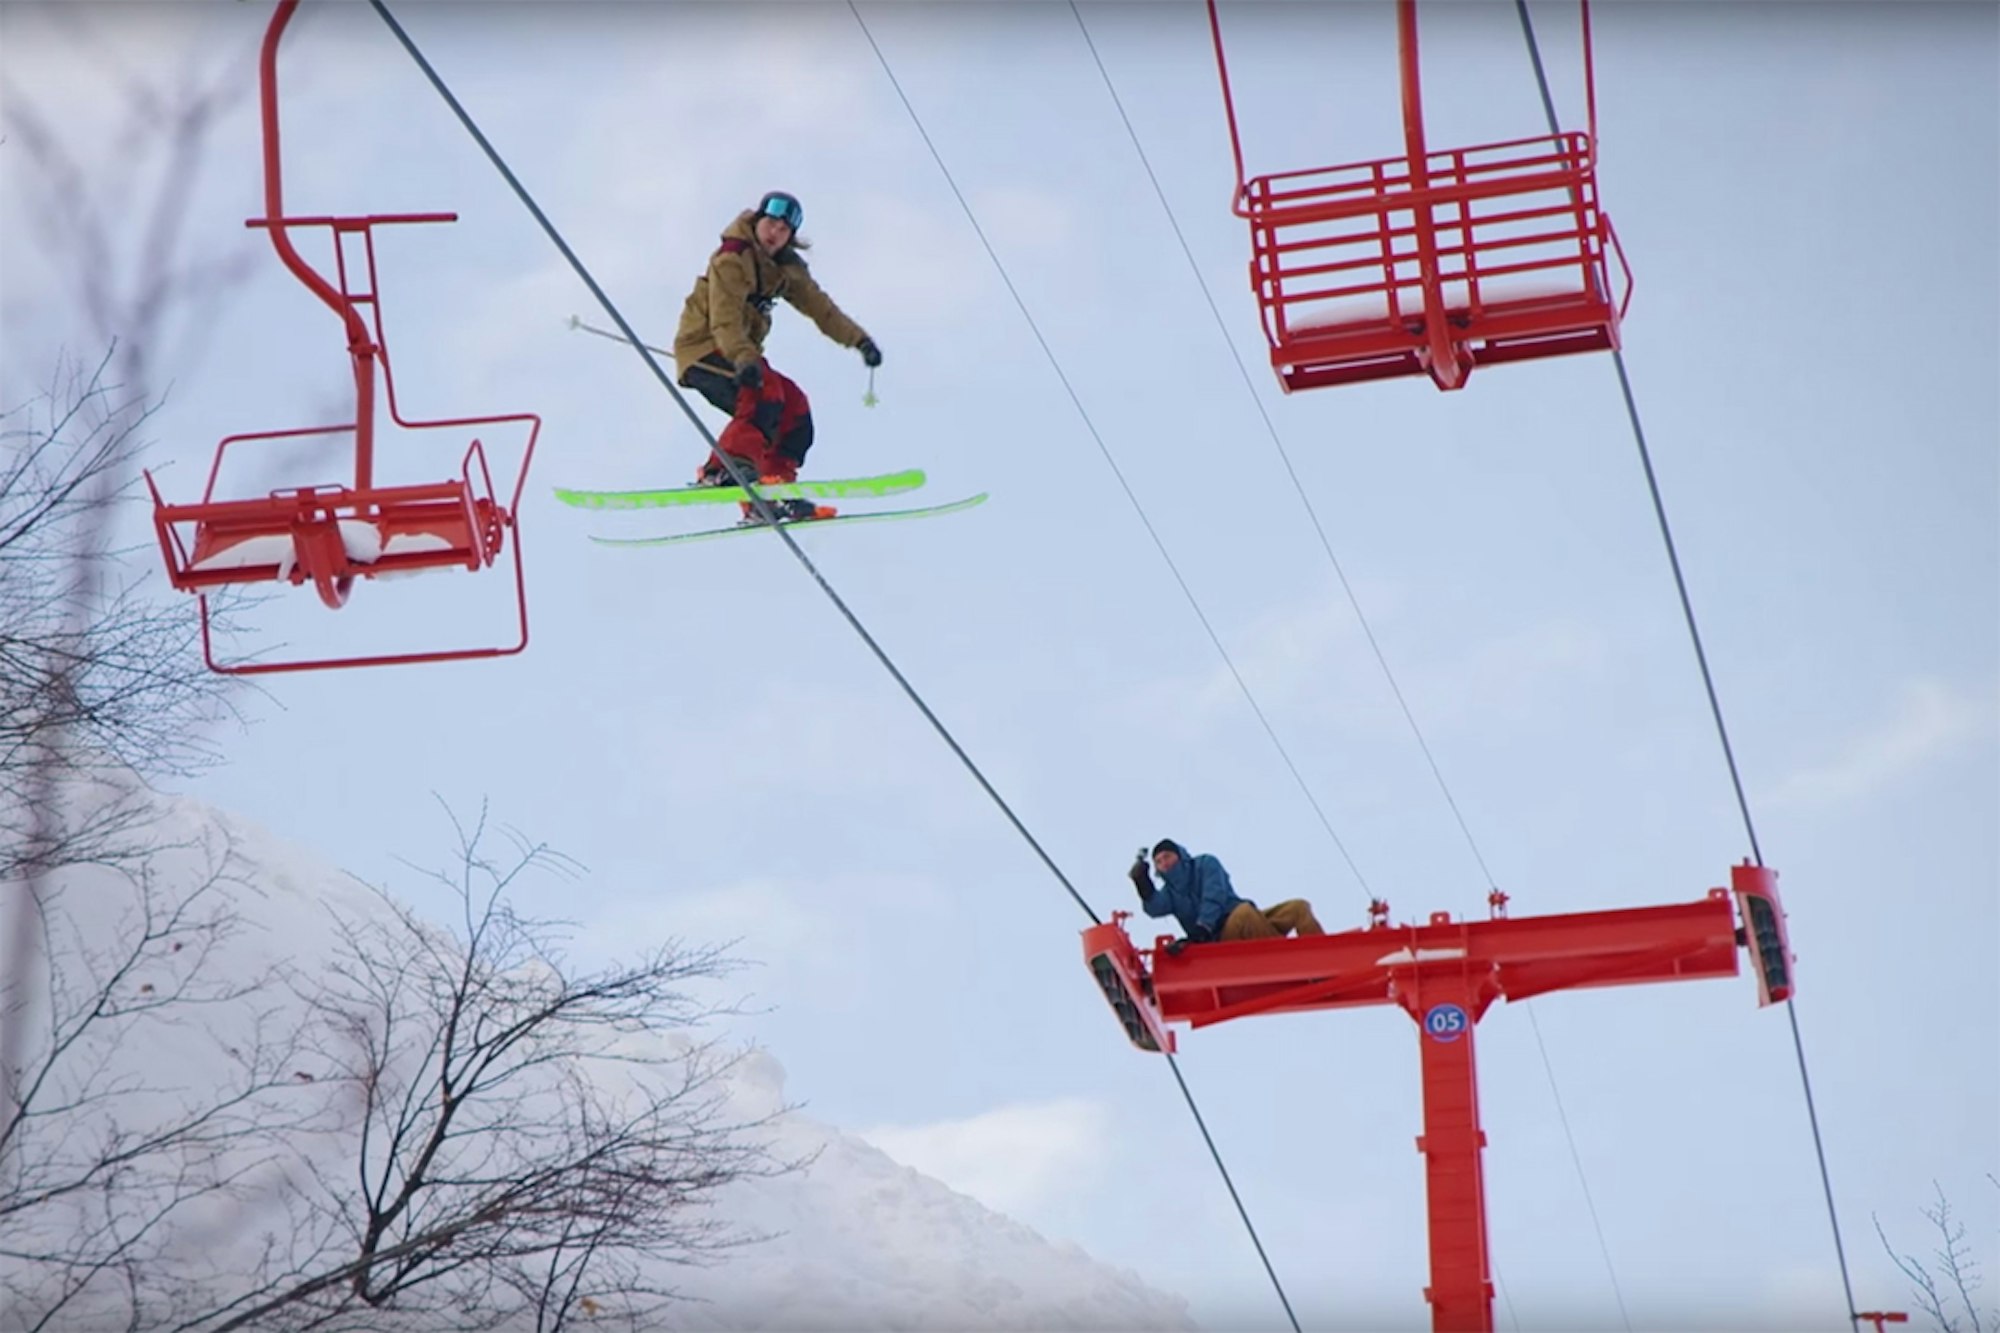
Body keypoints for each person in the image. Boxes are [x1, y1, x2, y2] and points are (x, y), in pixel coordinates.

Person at [672, 189, 882, 522]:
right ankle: (719, 470)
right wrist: (743, 359)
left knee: (794, 406)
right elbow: (724, 318)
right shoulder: (732, 257)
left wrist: (860, 341)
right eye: (770, 224)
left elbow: (822, 309)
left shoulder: (785, 270)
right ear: (757, 221)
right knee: (765, 392)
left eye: (784, 231)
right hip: (705, 348)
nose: (775, 234)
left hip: (742, 355)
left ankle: (772, 490)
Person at [1128, 839, 1324, 948]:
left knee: (1298, 907)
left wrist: (1203, 925)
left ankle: (1321, 954)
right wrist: (1142, 884)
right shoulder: (1170, 893)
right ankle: (1290, 959)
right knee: (1244, 913)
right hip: (1219, 940)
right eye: (1159, 862)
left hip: (1229, 922)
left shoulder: (1205, 864)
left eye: (1167, 857)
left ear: (1179, 855)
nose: (1164, 863)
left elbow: (1214, 895)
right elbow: (1155, 907)